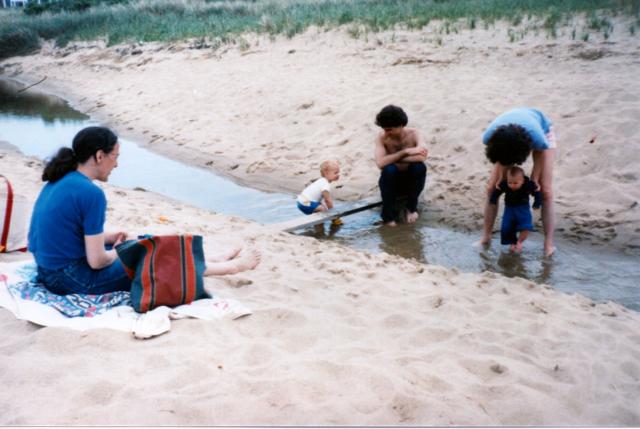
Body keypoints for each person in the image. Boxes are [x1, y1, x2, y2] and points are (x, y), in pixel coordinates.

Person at [28, 126, 259, 296]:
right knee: (152, 255)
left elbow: (68, 232)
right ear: (99, 156)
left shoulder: (60, 180)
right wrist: (119, 250)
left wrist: (113, 237)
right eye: (115, 157)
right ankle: (232, 267)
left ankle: (209, 260)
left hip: (48, 272)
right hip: (71, 280)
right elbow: (98, 262)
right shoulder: (91, 194)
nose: (116, 164)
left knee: (144, 242)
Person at [479, 107, 556, 257]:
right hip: (506, 137)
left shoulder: (537, 137)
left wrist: (534, 179)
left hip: (542, 131)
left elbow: (540, 153)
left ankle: (548, 245)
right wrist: (502, 176)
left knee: (545, 191)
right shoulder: (489, 137)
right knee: (491, 188)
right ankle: (485, 237)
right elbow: (501, 156)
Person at [374, 105, 428, 226]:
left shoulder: (415, 134)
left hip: (411, 180)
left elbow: (422, 157)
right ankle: (388, 217)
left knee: (419, 167)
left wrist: (393, 158)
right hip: (391, 181)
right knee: (389, 170)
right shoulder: (382, 137)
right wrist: (405, 152)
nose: (386, 133)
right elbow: (380, 163)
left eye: (390, 129)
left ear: (401, 125)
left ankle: (411, 209)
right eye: (384, 129)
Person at [489, 166, 542, 253]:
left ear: (522, 181)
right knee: (507, 227)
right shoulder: (505, 184)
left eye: (515, 183)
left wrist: (537, 203)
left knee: (526, 226)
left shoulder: (528, 184)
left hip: (523, 209)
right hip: (509, 209)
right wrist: (493, 199)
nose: (512, 185)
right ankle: (512, 243)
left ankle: (520, 242)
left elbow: (536, 192)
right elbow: (497, 191)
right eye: (510, 182)